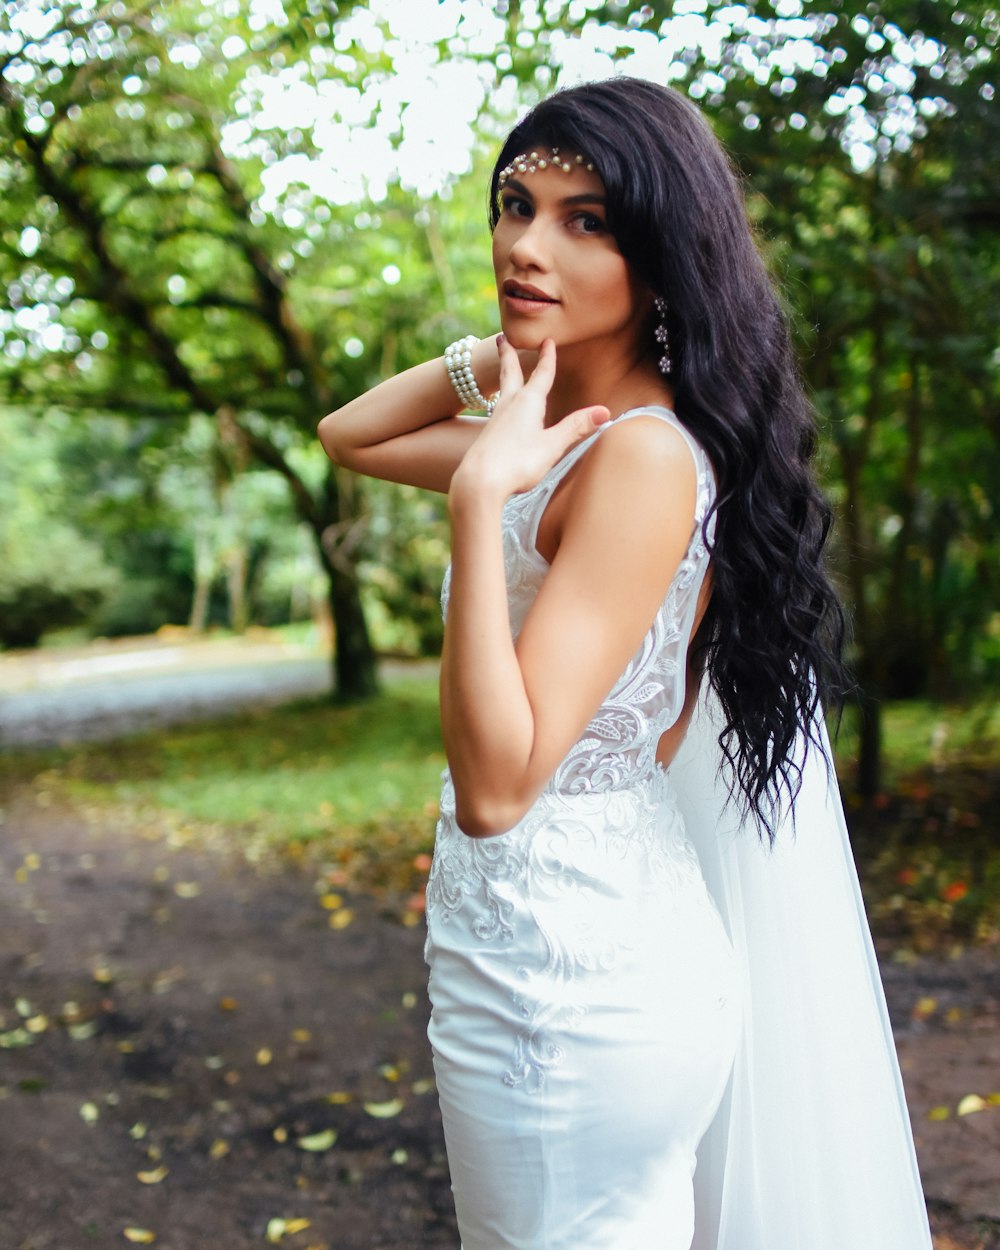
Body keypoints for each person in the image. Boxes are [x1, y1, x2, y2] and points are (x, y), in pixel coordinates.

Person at [318, 77, 933, 1250]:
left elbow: (500, 786)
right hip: (541, 950)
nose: (525, 245)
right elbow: (351, 435)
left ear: (663, 252)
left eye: (584, 219)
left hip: (568, 986)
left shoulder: (639, 462)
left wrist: (479, 497)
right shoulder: (570, 440)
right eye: (516, 203)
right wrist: (496, 367)